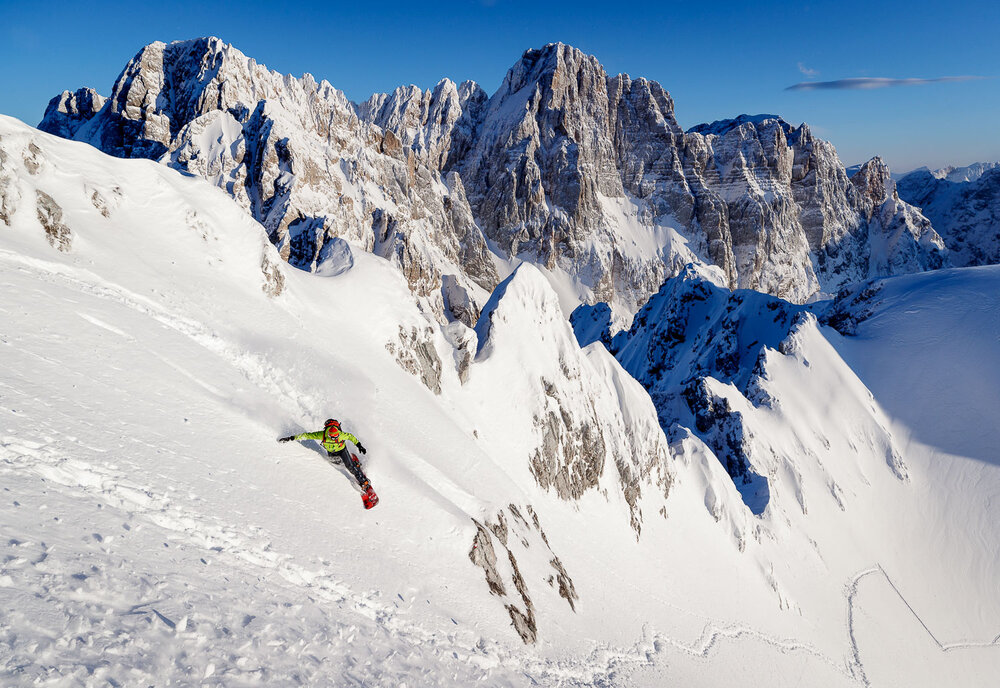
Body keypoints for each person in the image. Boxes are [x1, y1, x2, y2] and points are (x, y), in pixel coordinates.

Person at [279, 419, 371, 490]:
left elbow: (351, 437)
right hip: (331, 451)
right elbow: (307, 435)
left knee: (349, 466)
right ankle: (353, 464)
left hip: (342, 450)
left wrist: (359, 446)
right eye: (333, 437)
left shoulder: (341, 435)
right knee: (337, 462)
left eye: (337, 437)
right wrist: (290, 438)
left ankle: (364, 481)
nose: (335, 438)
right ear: (329, 435)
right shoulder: (322, 435)